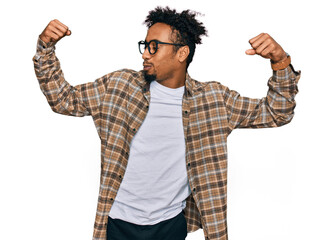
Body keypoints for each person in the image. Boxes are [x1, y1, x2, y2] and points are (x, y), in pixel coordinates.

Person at [32, 6, 300, 240]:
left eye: (154, 47)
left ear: (182, 53)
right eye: (145, 45)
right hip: (117, 225)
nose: (145, 54)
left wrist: (280, 61)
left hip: (171, 226)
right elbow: (63, 100)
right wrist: (46, 48)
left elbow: (277, 112)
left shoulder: (214, 101)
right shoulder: (119, 86)